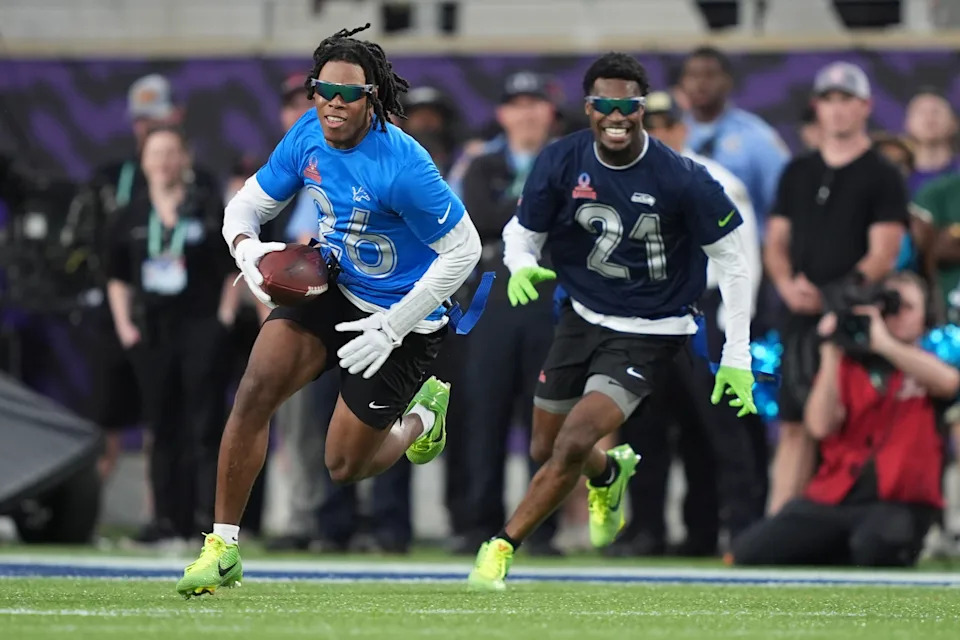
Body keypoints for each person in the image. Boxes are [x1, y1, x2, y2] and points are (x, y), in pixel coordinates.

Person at [176, 24, 482, 597]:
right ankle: (222, 547)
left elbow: (463, 251)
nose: (334, 104)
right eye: (325, 91)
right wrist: (251, 258)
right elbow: (242, 209)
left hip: (405, 315)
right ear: (313, 91)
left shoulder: (404, 164)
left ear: (373, 98)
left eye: (350, 94)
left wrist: (394, 326)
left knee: (345, 465)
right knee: (254, 391)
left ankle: (422, 416)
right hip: (335, 284)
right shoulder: (305, 135)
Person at [467, 52, 757, 590]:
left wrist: (735, 355)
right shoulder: (561, 159)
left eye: (628, 104)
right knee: (544, 448)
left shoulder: (681, 177)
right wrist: (523, 265)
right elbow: (521, 231)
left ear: (642, 108)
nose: (616, 115)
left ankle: (501, 546)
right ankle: (609, 471)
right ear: (588, 107)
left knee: (575, 436)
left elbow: (735, 261)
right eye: (605, 104)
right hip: (579, 317)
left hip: (651, 329)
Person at [611, 90, 764, 555]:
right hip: (645, 314)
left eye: (665, 124)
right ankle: (648, 529)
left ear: (683, 128)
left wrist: (736, 327)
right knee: (644, 427)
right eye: (648, 126)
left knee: (718, 428)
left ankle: (740, 529)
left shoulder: (713, 179)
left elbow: (743, 257)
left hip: (704, 312)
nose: (657, 134)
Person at [733, 273, 956, 567]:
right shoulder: (848, 366)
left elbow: (949, 383)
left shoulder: (932, 359)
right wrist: (830, 351)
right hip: (836, 499)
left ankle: (836, 552)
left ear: (924, 315)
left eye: (908, 307)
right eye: (890, 305)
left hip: (899, 503)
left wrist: (884, 343)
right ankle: (833, 549)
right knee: (750, 551)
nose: (898, 314)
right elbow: (819, 426)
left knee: (874, 547)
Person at [764, 62, 906, 515]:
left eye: (847, 100)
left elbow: (882, 254)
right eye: (830, 100)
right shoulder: (797, 171)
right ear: (817, 108)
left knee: (845, 427)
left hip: (853, 319)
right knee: (793, 424)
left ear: (865, 107)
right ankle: (776, 527)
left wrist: (836, 300)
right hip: (798, 314)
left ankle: (837, 525)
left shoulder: (882, 173)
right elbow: (776, 242)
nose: (838, 110)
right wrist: (786, 285)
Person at [105, 125, 238, 545]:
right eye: (154, 153)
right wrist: (126, 327)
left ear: (185, 159)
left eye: (170, 153)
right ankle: (165, 520)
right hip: (153, 332)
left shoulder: (206, 206)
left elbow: (231, 267)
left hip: (200, 327)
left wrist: (224, 319)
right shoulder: (129, 214)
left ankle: (206, 522)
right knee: (162, 428)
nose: (163, 162)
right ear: (143, 162)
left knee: (204, 425)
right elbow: (116, 276)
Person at [459, 71, 562, 556]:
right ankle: (477, 522)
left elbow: (564, 219)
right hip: (493, 298)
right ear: (502, 114)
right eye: (516, 104)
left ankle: (540, 529)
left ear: (549, 112)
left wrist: (517, 212)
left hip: (550, 297)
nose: (526, 113)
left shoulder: (566, 161)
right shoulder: (482, 165)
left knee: (545, 415)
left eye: (534, 103)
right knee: (486, 415)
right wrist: (534, 208)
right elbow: (477, 219)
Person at [679, 46, 789, 229]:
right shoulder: (670, 135)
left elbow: (782, 202)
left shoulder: (756, 136)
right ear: (682, 83)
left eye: (710, 75)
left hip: (744, 249)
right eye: (693, 75)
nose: (700, 83)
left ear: (728, 81)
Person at [903, 89, 958, 196]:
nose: (929, 118)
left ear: (954, 123)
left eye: (936, 111)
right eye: (921, 112)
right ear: (907, 124)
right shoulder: (898, 180)